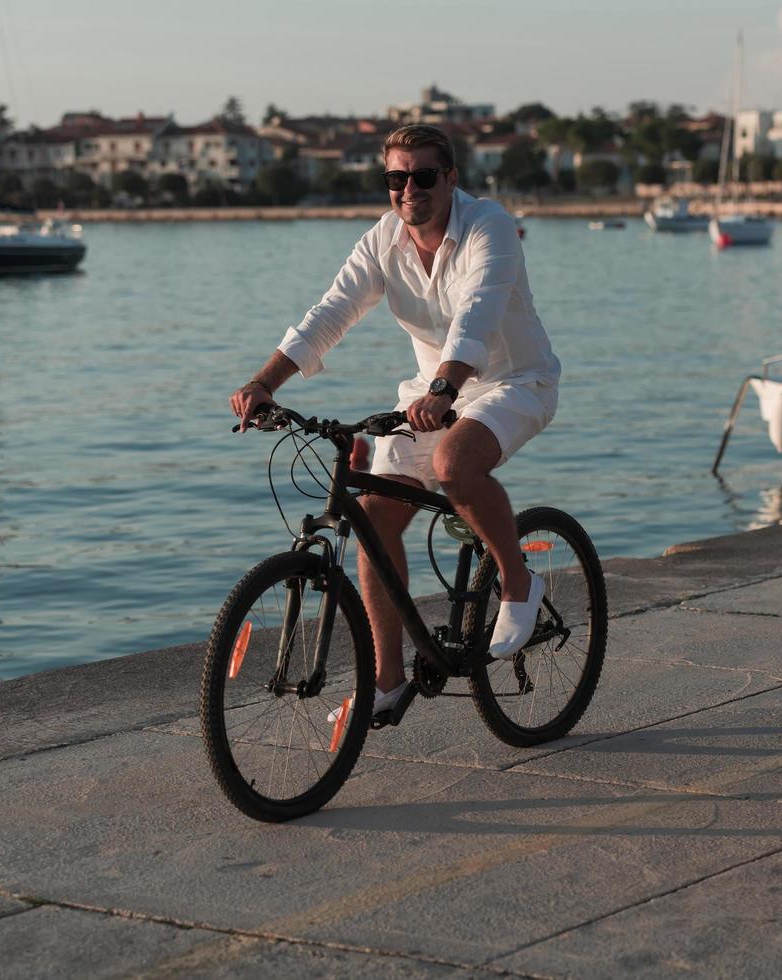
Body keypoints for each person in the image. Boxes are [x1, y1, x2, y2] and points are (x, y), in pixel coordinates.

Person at [229, 124, 561, 721]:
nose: (410, 189)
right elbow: (331, 310)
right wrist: (263, 382)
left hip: (510, 383)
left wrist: (444, 389)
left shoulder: (489, 225)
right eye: (396, 178)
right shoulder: (384, 239)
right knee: (375, 520)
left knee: (452, 464)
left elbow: (478, 315)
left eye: (424, 175)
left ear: (451, 178)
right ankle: (387, 680)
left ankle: (517, 581)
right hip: (430, 395)